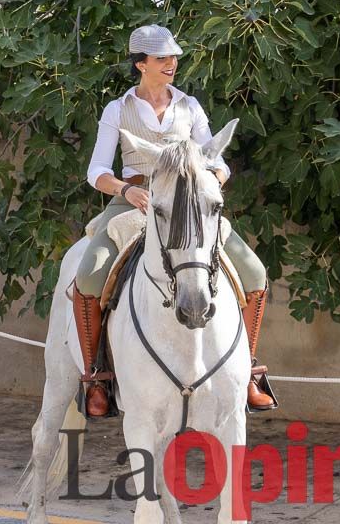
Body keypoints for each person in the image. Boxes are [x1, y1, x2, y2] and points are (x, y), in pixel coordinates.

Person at [74, 24, 276, 417]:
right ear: (140, 64)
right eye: (163, 58)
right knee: (88, 276)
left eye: (174, 57)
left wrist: (212, 178)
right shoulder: (117, 109)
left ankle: (248, 370)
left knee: (254, 273)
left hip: (191, 207)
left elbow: (216, 160)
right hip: (135, 202)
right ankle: (96, 377)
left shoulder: (190, 106)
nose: (172, 64)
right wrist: (124, 191)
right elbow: (96, 170)